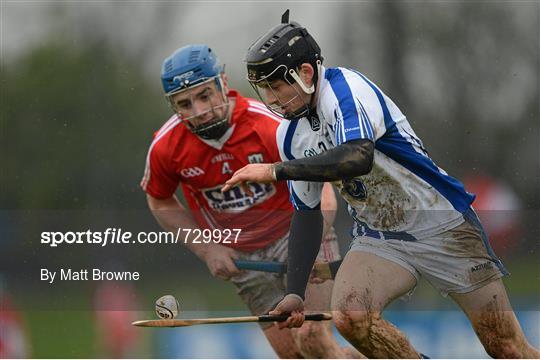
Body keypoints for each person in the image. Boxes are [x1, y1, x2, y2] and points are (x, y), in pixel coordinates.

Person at [223, 11, 540, 359]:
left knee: (507, 348)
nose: (269, 99)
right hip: (381, 237)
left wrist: (276, 171)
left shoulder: (345, 90)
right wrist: (295, 293)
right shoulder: (289, 135)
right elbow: (306, 215)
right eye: (263, 89)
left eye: (275, 86)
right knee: (350, 316)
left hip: (443, 224)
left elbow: (358, 156)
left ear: (306, 73)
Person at [141, 44, 362, 358]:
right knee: (294, 354)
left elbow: (323, 188)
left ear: (223, 83)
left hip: (296, 234)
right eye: (184, 103)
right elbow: (160, 200)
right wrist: (208, 249)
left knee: (313, 339)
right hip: (243, 256)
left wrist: (310, 245)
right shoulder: (165, 147)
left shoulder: (269, 125)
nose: (198, 110)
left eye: (205, 96)